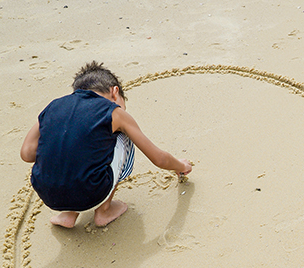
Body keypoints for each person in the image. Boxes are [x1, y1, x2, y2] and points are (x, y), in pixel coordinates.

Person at [20, 61, 192, 228]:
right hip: (92, 192)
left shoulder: (53, 106)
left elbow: (26, 153)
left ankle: (69, 213)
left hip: (48, 194)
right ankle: (104, 210)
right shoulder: (113, 111)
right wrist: (180, 165)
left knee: (71, 143)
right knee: (125, 135)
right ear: (115, 92)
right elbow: (159, 159)